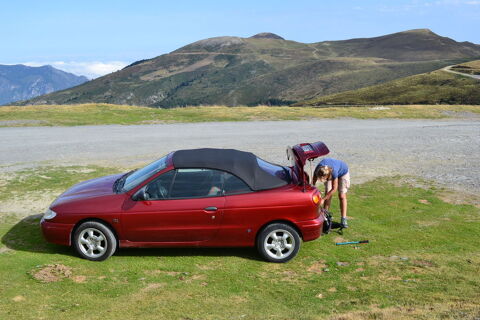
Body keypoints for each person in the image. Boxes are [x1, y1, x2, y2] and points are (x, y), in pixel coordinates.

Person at [312, 158, 350, 228]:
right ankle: (325, 217)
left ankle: (343, 219)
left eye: (324, 179)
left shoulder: (334, 172)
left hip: (343, 172)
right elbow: (313, 182)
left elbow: (334, 189)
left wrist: (323, 199)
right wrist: (312, 190)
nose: (322, 181)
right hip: (328, 172)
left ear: (327, 176)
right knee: (327, 193)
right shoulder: (318, 169)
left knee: (341, 195)